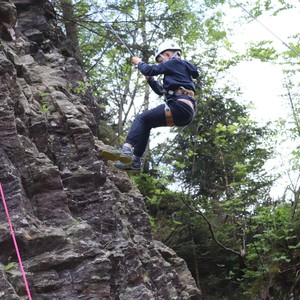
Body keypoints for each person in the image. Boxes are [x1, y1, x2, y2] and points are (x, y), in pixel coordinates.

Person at [108, 40, 199, 171]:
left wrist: (139, 62)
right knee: (147, 123)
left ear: (167, 54)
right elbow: (161, 91)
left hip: (180, 106)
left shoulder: (175, 62)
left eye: (161, 61)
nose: (162, 65)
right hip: (184, 111)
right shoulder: (179, 71)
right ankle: (135, 161)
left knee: (141, 118)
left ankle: (126, 149)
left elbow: (150, 69)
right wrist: (150, 79)